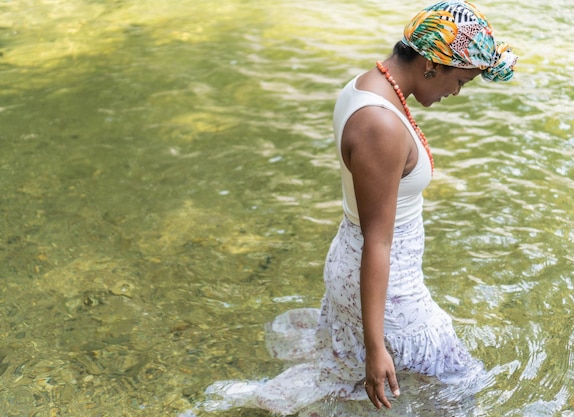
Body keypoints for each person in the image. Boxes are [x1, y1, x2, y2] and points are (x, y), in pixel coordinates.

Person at [184, 1, 517, 416]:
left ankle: (240, 402)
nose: (457, 92)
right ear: (431, 64)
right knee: (461, 382)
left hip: (358, 262)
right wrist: (377, 349)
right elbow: (378, 241)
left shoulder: (366, 85)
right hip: (387, 282)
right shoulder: (380, 124)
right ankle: (240, 402)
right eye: (461, 81)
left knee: (341, 377)